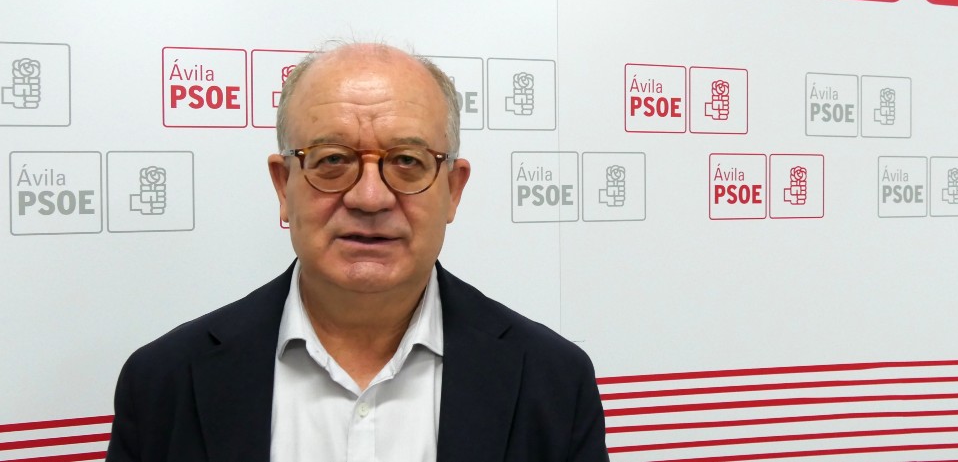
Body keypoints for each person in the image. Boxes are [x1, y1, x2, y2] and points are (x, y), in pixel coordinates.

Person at [106, 42, 609, 461]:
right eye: (332, 160)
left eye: (407, 161)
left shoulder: (553, 382)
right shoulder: (164, 383)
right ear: (283, 186)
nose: (370, 197)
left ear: (453, 190)